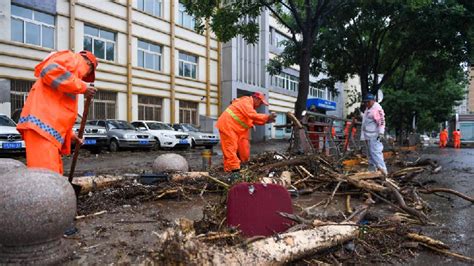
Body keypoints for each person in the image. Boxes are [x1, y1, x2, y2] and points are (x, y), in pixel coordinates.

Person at [17, 50, 98, 175]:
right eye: (88, 72)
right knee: (46, 177)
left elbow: (62, 111)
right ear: (88, 63)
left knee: (54, 175)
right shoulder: (73, 58)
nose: (85, 77)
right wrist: (83, 87)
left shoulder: (72, 79)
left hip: (46, 129)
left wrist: (71, 136)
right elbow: (49, 70)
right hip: (41, 126)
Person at [216, 92, 276, 177]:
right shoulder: (246, 101)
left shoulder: (249, 107)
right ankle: (233, 172)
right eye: (261, 102)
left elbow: (252, 119)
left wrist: (267, 120)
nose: (260, 105)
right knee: (230, 149)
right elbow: (251, 114)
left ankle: (243, 166)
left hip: (239, 129)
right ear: (256, 98)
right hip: (228, 125)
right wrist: (266, 117)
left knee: (244, 150)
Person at [361, 93, 388, 175]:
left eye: (368, 102)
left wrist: (381, 133)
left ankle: (383, 172)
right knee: (370, 154)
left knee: (376, 153)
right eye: (365, 102)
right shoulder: (368, 108)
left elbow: (382, 122)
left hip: (374, 135)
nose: (366, 104)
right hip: (368, 136)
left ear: (373, 101)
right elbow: (366, 119)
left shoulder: (376, 109)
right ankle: (372, 172)